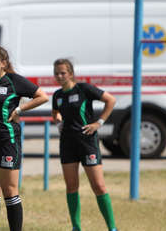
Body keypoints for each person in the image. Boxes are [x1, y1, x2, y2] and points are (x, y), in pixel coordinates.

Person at [0, 45, 48, 231]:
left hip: (7, 141)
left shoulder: (12, 81)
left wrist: (19, 109)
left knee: (10, 192)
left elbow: (42, 96)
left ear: (3, 63)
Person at [51, 58, 118, 231]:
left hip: (87, 142)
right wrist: (58, 122)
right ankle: (76, 227)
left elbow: (110, 100)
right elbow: (55, 112)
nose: (59, 76)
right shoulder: (57, 95)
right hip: (67, 143)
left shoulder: (84, 89)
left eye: (63, 72)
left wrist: (99, 123)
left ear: (71, 73)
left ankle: (112, 228)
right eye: (56, 73)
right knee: (71, 186)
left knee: (98, 185)